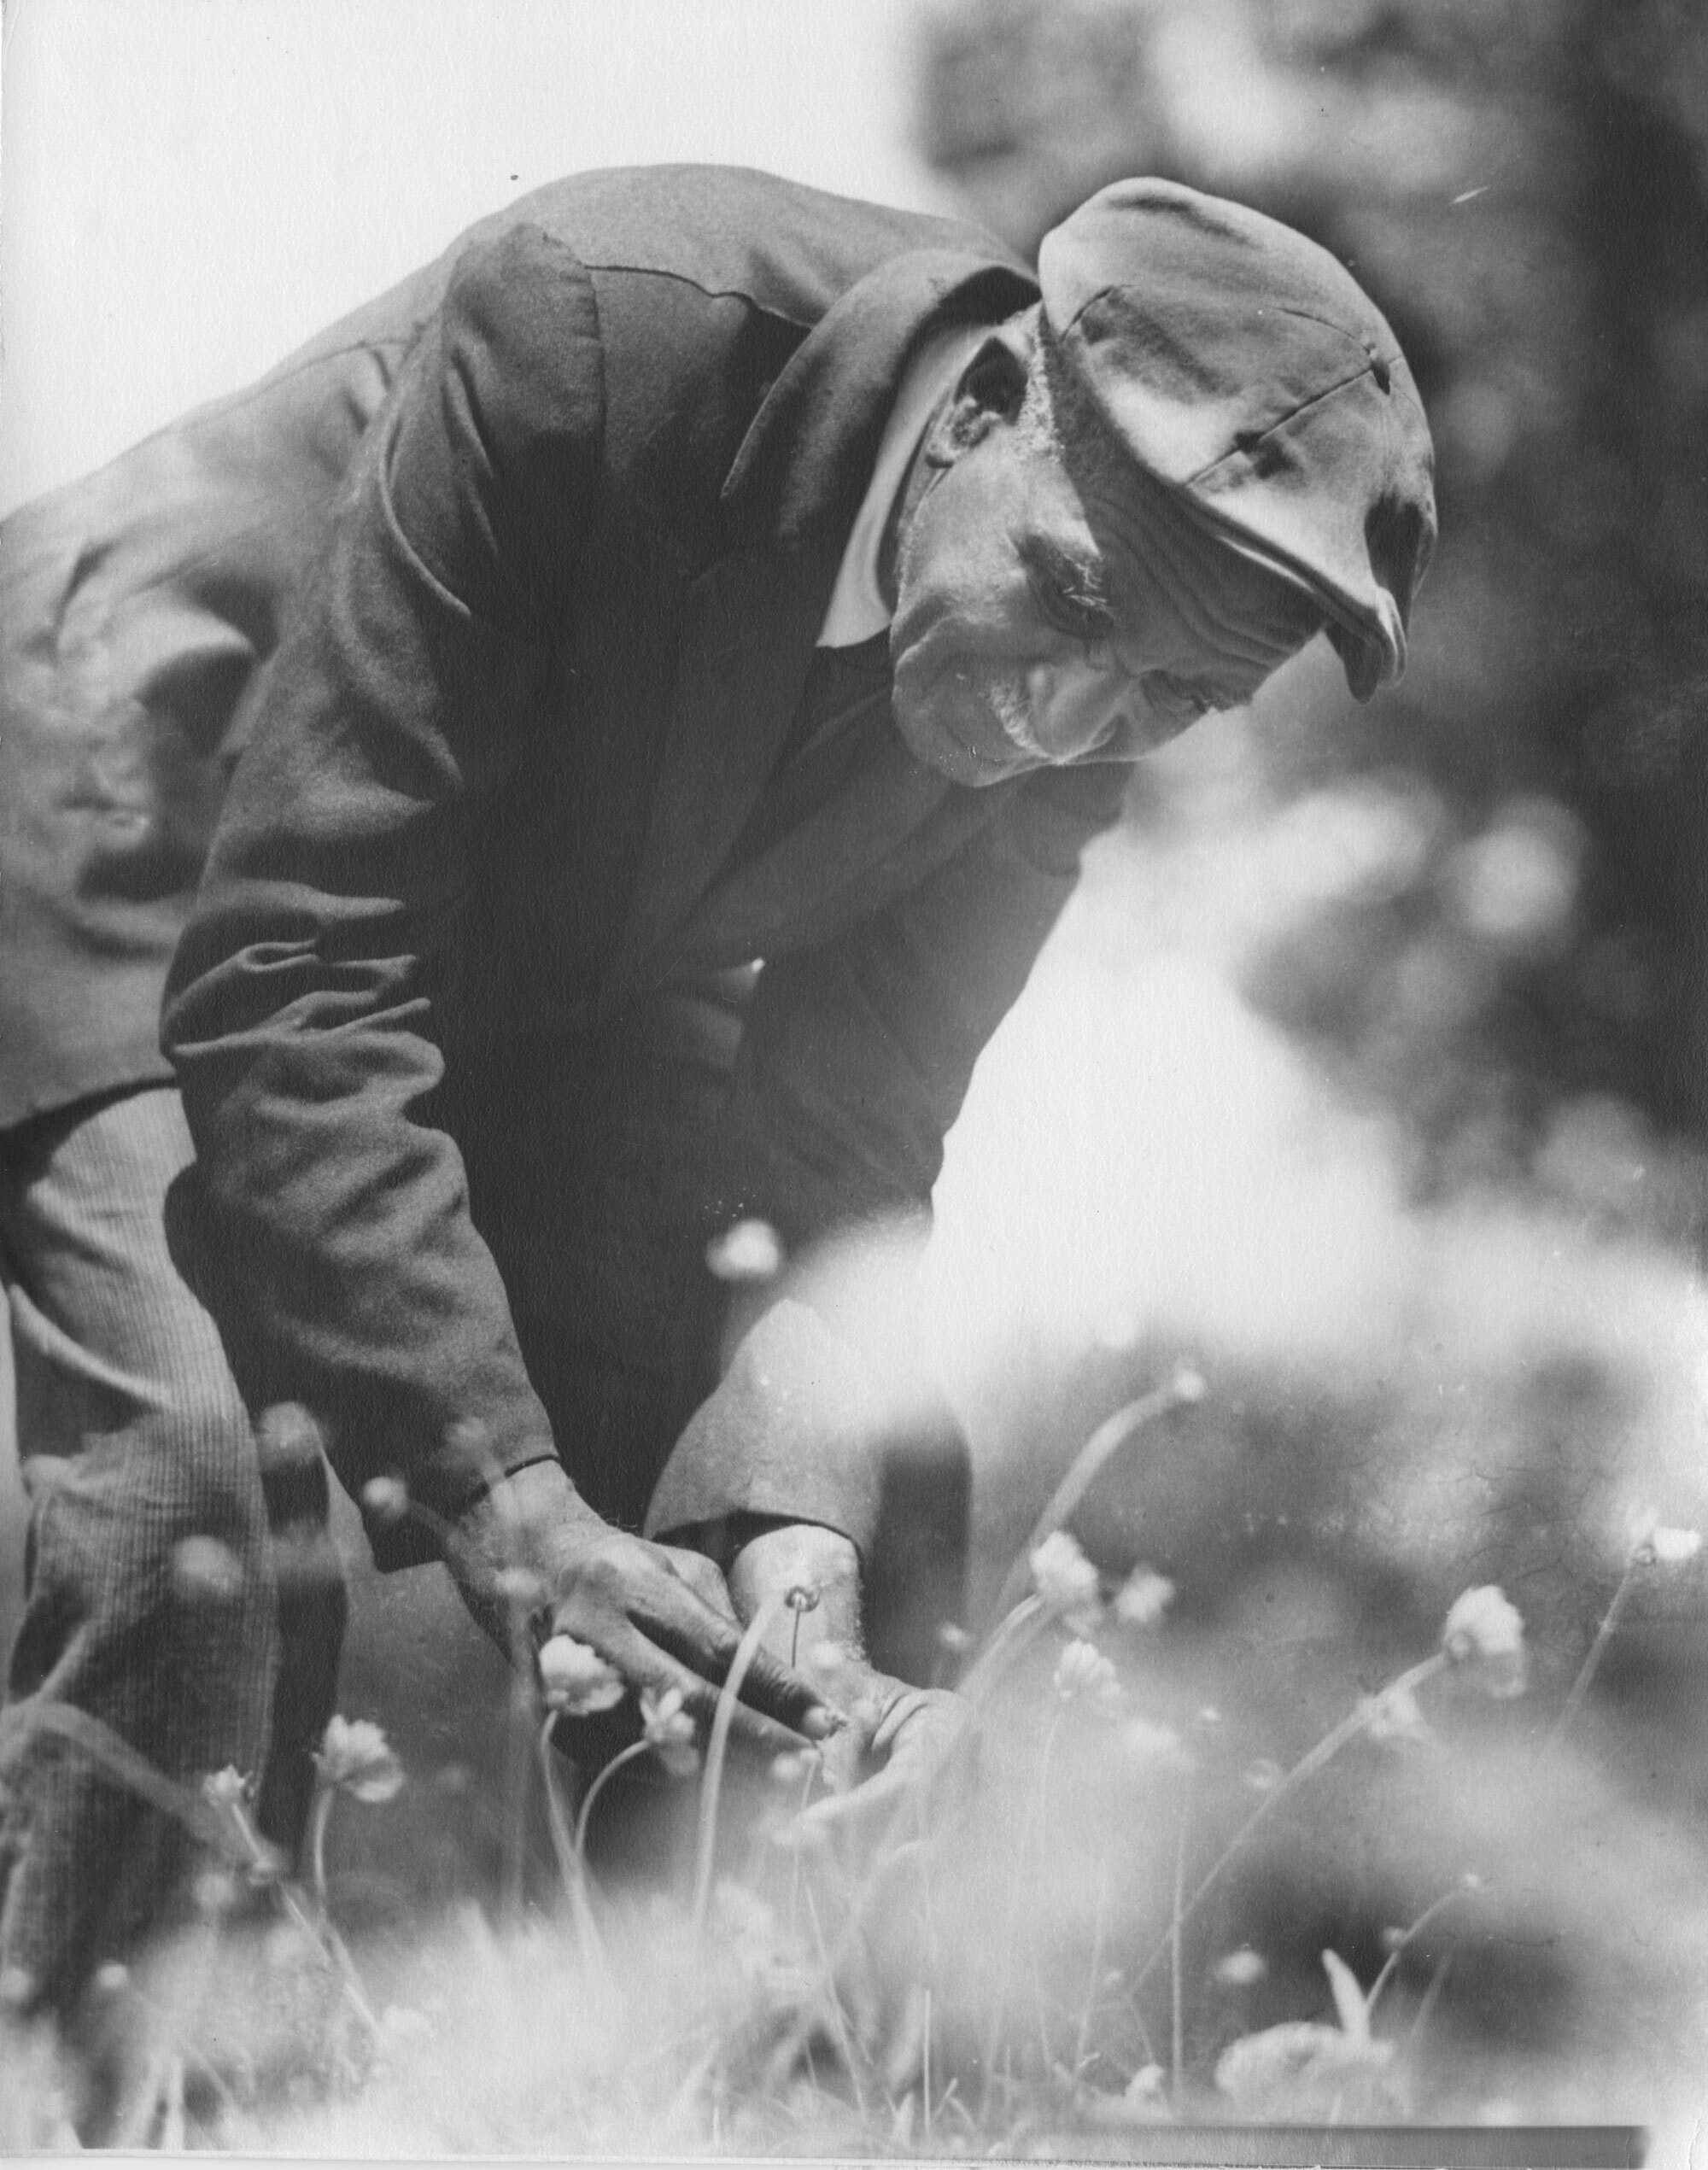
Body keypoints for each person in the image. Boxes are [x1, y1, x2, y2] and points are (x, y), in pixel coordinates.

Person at [0, 164, 1435, 2033]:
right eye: (1068, 596)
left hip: (516, 929)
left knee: (849, 1484)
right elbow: (300, 968)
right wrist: (507, 1499)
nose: (1069, 721)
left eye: (1171, 697)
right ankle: (86, 2099)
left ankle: (665, 2087)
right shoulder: (591, 327)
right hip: (129, 812)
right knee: (206, 1509)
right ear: (988, 405)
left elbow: (845, 1146)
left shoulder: (1098, 674)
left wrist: (794, 1559)